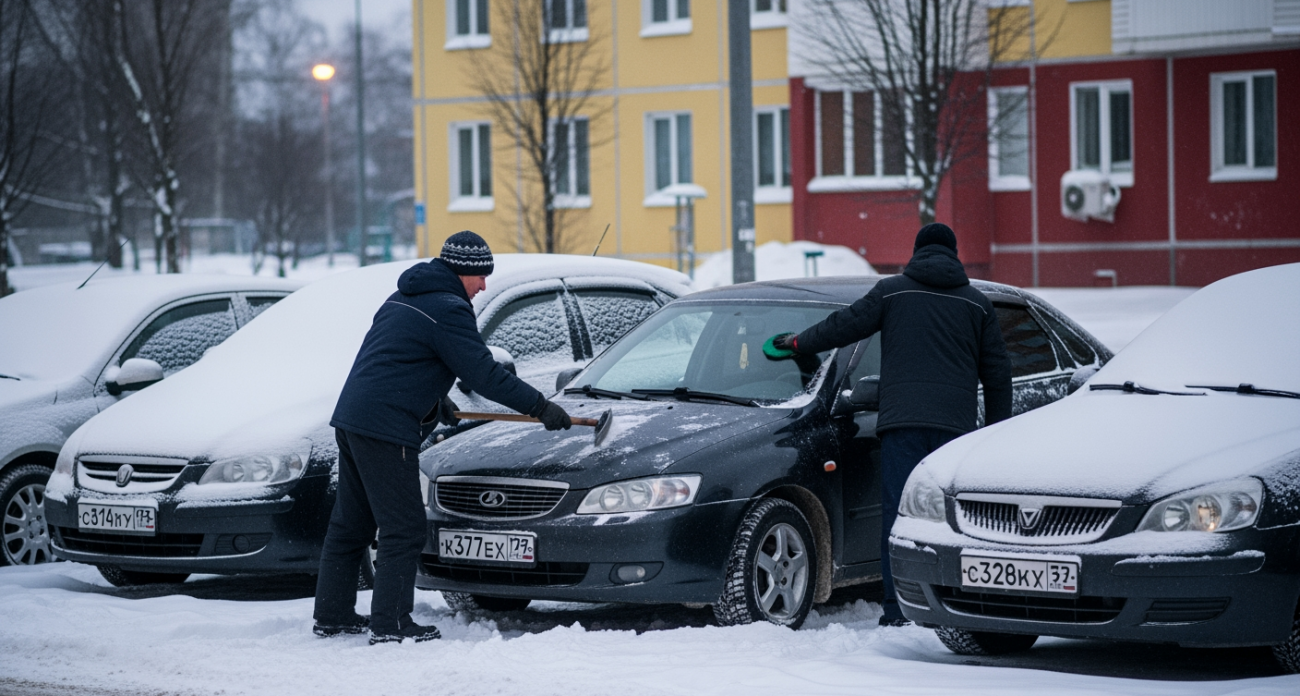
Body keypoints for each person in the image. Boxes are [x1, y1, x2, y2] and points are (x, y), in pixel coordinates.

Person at [313, 230, 573, 644]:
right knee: (403, 528)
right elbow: (483, 373)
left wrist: (436, 397)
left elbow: (400, 358)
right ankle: (392, 624)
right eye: (480, 276)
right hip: (387, 428)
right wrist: (540, 407)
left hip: (353, 418)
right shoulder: (449, 308)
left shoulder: (403, 297)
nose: (483, 285)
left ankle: (333, 614)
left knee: (351, 524)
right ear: (461, 271)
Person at [769, 223, 1012, 627]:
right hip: (955, 433)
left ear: (917, 252)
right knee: (952, 520)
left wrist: (798, 343)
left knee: (899, 516)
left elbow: (843, 325)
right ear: (953, 255)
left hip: (904, 426)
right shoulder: (977, 304)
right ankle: (952, 602)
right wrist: (994, 434)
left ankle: (898, 608)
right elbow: (999, 375)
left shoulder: (893, 292)